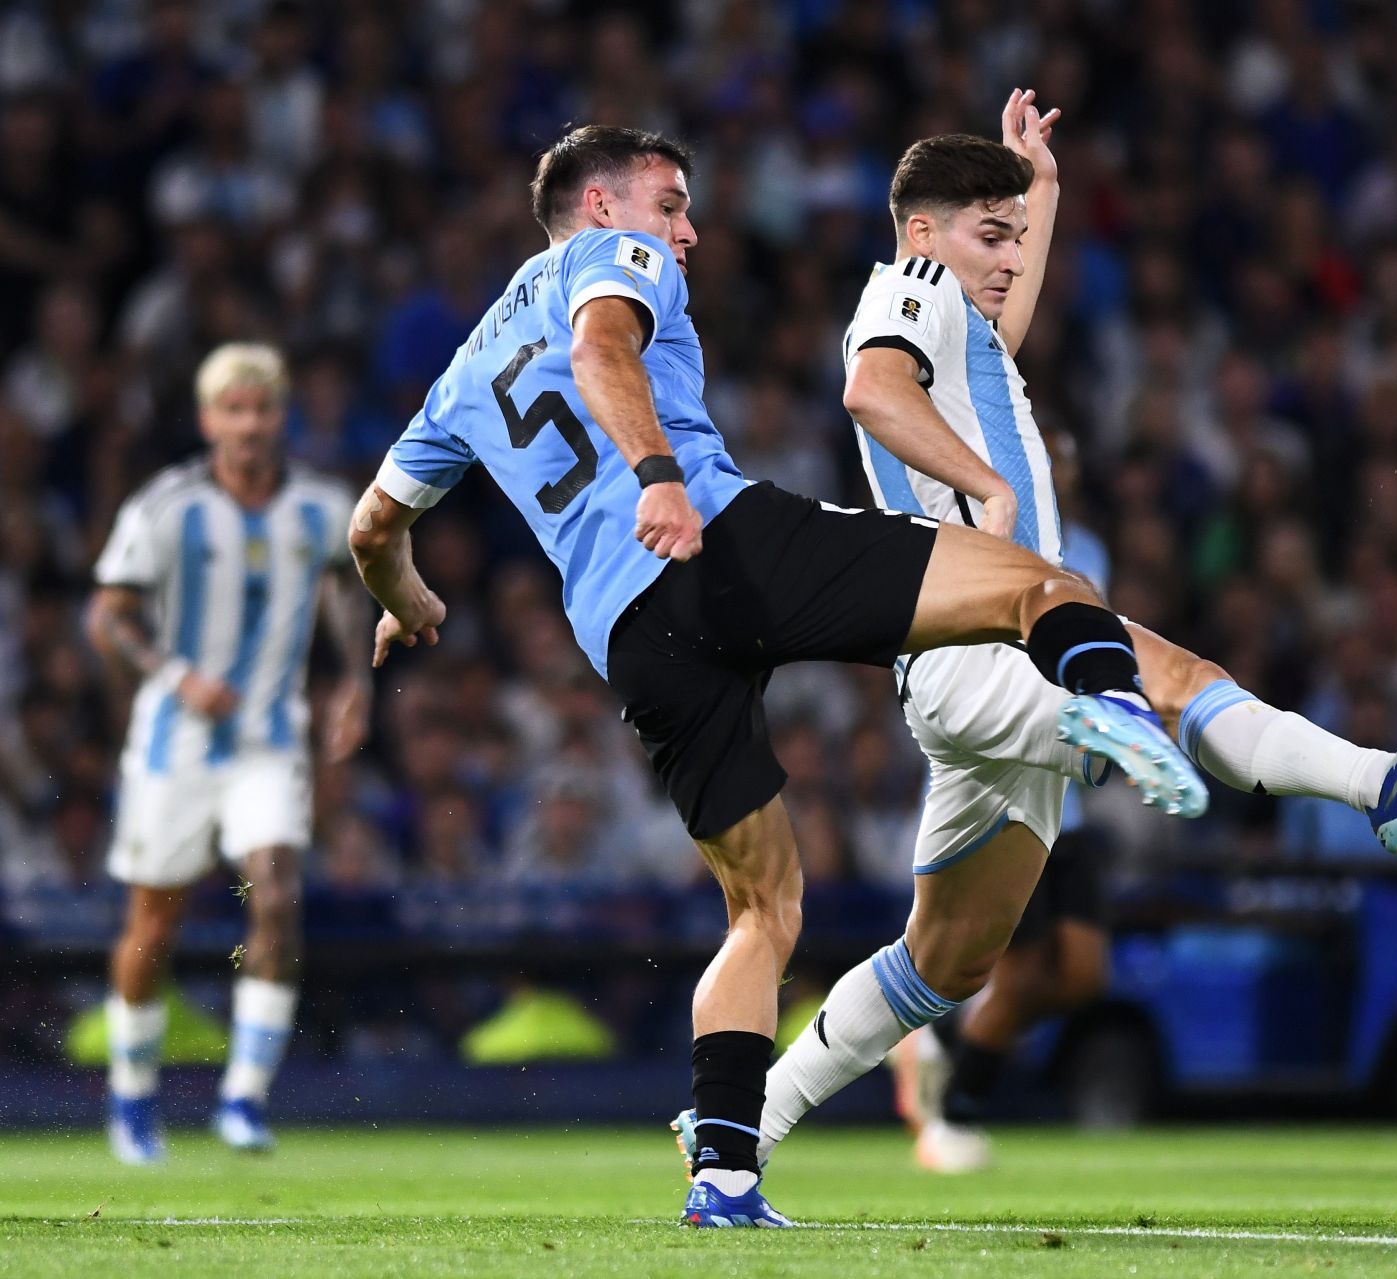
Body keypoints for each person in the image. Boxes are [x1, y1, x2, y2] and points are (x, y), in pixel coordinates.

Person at [347, 125, 1215, 1229]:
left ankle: (723, 1178)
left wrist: (402, 597)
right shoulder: (608, 262)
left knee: (765, 908)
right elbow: (601, 353)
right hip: (715, 545)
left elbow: (373, 523)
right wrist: (659, 476)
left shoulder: (464, 368)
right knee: (1035, 580)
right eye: (670, 203)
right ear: (601, 206)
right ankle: (1104, 703)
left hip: (629, 634)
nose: (688, 228)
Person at [749, 97, 1397, 1174]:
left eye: (1015, 240)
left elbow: (998, 303)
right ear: (922, 233)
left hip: (972, 681)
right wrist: (980, 488)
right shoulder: (907, 287)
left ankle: (744, 1119)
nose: (1010, 261)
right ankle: (1378, 782)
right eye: (988, 236)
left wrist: (1038, 189)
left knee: (947, 962)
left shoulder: (974, 337)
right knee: (1174, 672)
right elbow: (869, 389)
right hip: (984, 647)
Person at [87, 342, 369, 1163]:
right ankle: (133, 1098)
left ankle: (243, 1098)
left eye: (263, 410)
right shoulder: (168, 506)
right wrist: (174, 675)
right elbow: (109, 614)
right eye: (233, 410)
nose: (249, 426)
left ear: (281, 416)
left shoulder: (320, 506)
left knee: (276, 893)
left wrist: (353, 678)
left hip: (269, 739)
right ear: (210, 419)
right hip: (175, 743)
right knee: (155, 919)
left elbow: (346, 584)